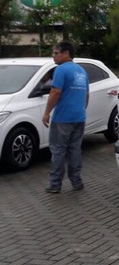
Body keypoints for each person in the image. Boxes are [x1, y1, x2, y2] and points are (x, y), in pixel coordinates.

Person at [43, 41, 89, 193]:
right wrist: (81, 109)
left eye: (56, 53)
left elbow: (56, 92)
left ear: (66, 53)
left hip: (63, 118)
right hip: (79, 118)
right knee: (75, 150)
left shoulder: (61, 70)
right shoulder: (82, 71)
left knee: (58, 150)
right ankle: (77, 182)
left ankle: (55, 184)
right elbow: (87, 95)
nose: (53, 56)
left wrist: (47, 112)